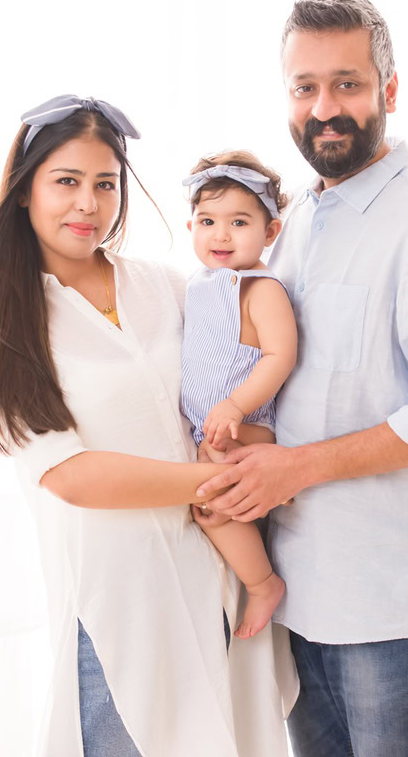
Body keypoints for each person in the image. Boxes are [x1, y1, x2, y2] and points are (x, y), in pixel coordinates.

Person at [196, 0, 408, 757]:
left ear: (388, 92)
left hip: (391, 614)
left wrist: (290, 467)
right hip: (299, 603)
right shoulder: (287, 228)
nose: (325, 107)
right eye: (305, 88)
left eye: (347, 84)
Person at [0, 95, 296, 757]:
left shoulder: (167, 287)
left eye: (105, 184)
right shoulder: (7, 328)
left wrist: (267, 461)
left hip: (218, 585)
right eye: (67, 182)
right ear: (25, 191)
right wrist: (217, 483)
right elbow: (74, 477)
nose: (88, 204)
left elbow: (238, 381)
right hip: (118, 607)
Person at [179, 151, 296, 639]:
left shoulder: (259, 288)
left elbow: (279, 356)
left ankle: (264, 584)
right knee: (206, 505)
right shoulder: (199, 286)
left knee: (212, 506)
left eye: (239, 222)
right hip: (214, 426)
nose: (220, 235)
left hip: (246, 425)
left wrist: (234, 406)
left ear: (270, 233)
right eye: (207, 221)